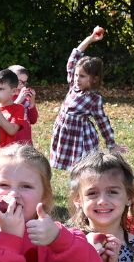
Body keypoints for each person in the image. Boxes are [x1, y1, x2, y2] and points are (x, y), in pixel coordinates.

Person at [51, 26, 124, 171]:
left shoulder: (93, 98)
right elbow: (74, 57)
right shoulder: (73, 86)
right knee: (72, 167)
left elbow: (102, 121)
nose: (77, 78)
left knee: (83, 167)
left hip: (80, 138)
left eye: (82, 76)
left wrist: (111, 144)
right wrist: (90, 39)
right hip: (65, 134)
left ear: (94, 79)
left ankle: (84, 186)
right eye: (77, 75)